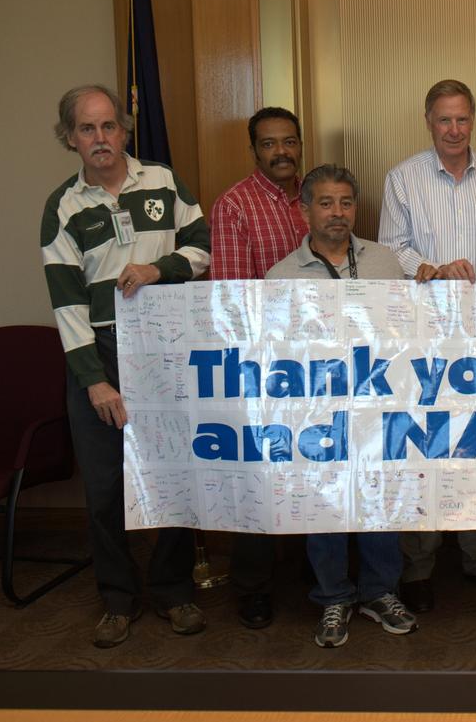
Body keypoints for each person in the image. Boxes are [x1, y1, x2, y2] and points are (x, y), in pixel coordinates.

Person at [40, 84, 211, 648]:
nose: (100, 138)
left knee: (173, 477)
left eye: (109, 126)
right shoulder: (63, 209)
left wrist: (160, 268)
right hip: (100, 355)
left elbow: (203, 247)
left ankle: (174, 589)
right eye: (87, 129)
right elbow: (65, 305)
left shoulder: (162, 180)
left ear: (124, 129)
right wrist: (95, 382)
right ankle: (116, 598)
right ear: (70, 138)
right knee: (106, 489)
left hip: (165, 352)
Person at [378, 79, 476, 612]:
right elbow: (390, 246)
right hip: (426, 337)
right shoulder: (403, 179)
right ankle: (418, 568)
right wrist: (431, 271)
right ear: (428, 121)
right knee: (426, 446)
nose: (454, 130)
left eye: (462, 119)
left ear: (473, 119)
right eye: (444, 120)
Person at [267, 164, 417, 648]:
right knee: (324, 502)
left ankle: (380, 591)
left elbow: (406, 334)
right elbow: (274, 352)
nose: (337, 213)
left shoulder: (385, 263)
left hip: (377, 405)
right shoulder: (281, 275)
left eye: (346, 202)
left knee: (378, 499)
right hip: (316, 413)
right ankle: (333, 595)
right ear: (305, 209)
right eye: (326, 203)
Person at [209, 106, 310, 630]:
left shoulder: (314, 198)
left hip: (317, 367)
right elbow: (231, 299)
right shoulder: (235, 205)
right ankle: (253, 588)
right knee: (258, 475)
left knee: (311, 468)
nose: (281, 152)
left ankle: (309, 577)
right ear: (254, 150)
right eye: (269, 144)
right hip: (264, 363)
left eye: (289, 141)